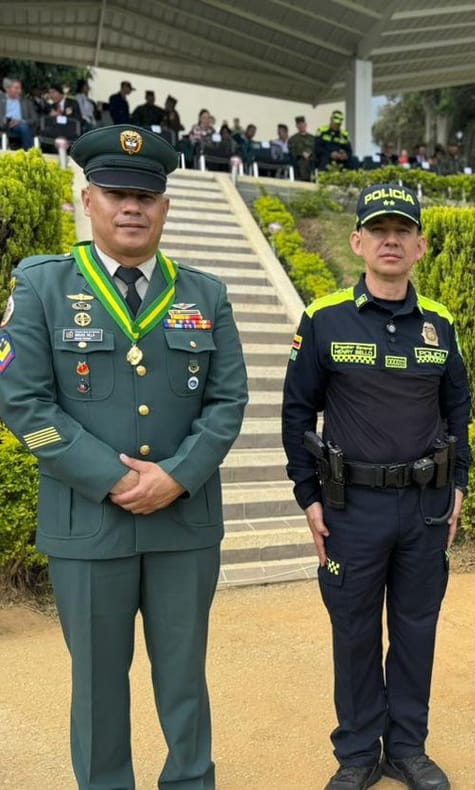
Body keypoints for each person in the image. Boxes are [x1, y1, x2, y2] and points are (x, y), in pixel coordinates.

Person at [0, 124, 248, 788]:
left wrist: (178, 476)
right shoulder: (42, 286)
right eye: (115, 192)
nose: (130, 207)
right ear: (89, 199)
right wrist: (113, 479)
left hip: (182, 523)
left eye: (145, 195)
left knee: (184, 680)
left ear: (165, 206)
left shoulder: (205, 294)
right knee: (99, 684)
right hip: (88, 524)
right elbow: (22, 402)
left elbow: (227, 403)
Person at [281, 183, 470, 790]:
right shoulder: (323, 317)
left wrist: (459, 486)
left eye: (403, 231)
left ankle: (408, 748)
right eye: (378, 230)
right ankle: (359, 753)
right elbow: (295, 413)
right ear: (358, 241)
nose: (391, 240)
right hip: (350, 508)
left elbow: (459, 412)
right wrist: (307, 497)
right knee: (355, 631)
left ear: (420, 246)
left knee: (416, 630)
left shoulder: (441, 323)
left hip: (424, 508)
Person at [2, 76, 38, 150]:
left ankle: (29, 152)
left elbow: (35, 119)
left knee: (23, 127)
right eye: (16, 88)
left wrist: (20, 121)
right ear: (8, 88)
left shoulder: (27, 102)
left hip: (20, 126)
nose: (19, 91)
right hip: (4, 125)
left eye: (20, 88)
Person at [288, 115, 316, 181]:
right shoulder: (293, 139)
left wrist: (310, 153)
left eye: (302, 124)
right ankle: (305, 180)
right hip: (300, 160)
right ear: (296, 126)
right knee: (303, 162)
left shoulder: (313, 138)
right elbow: (292, 152)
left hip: (313, 159)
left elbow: (316, 148)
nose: (301, 126)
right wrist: (302, 153)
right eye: (299, 124)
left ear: (305, 124)